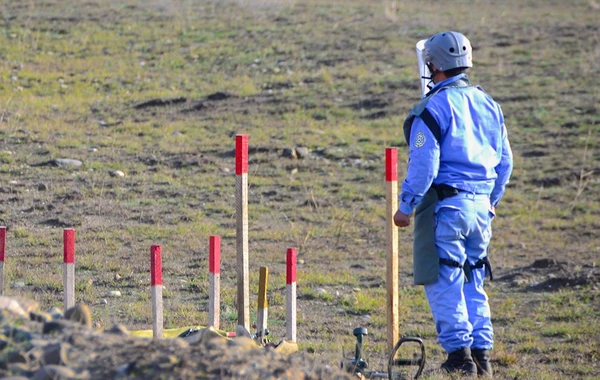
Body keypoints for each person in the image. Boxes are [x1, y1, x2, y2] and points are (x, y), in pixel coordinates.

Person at [393, 31, 513, 377]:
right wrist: (491, 201)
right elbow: (505, 162)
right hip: (480, 210)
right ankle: (482, 356)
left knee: (445, 279)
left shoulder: (432, 108)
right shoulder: (490, 104)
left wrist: (406, 206)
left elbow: (424, 165)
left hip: (447, 209)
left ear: (434, 65)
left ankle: (460, 356)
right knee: (474, 280)